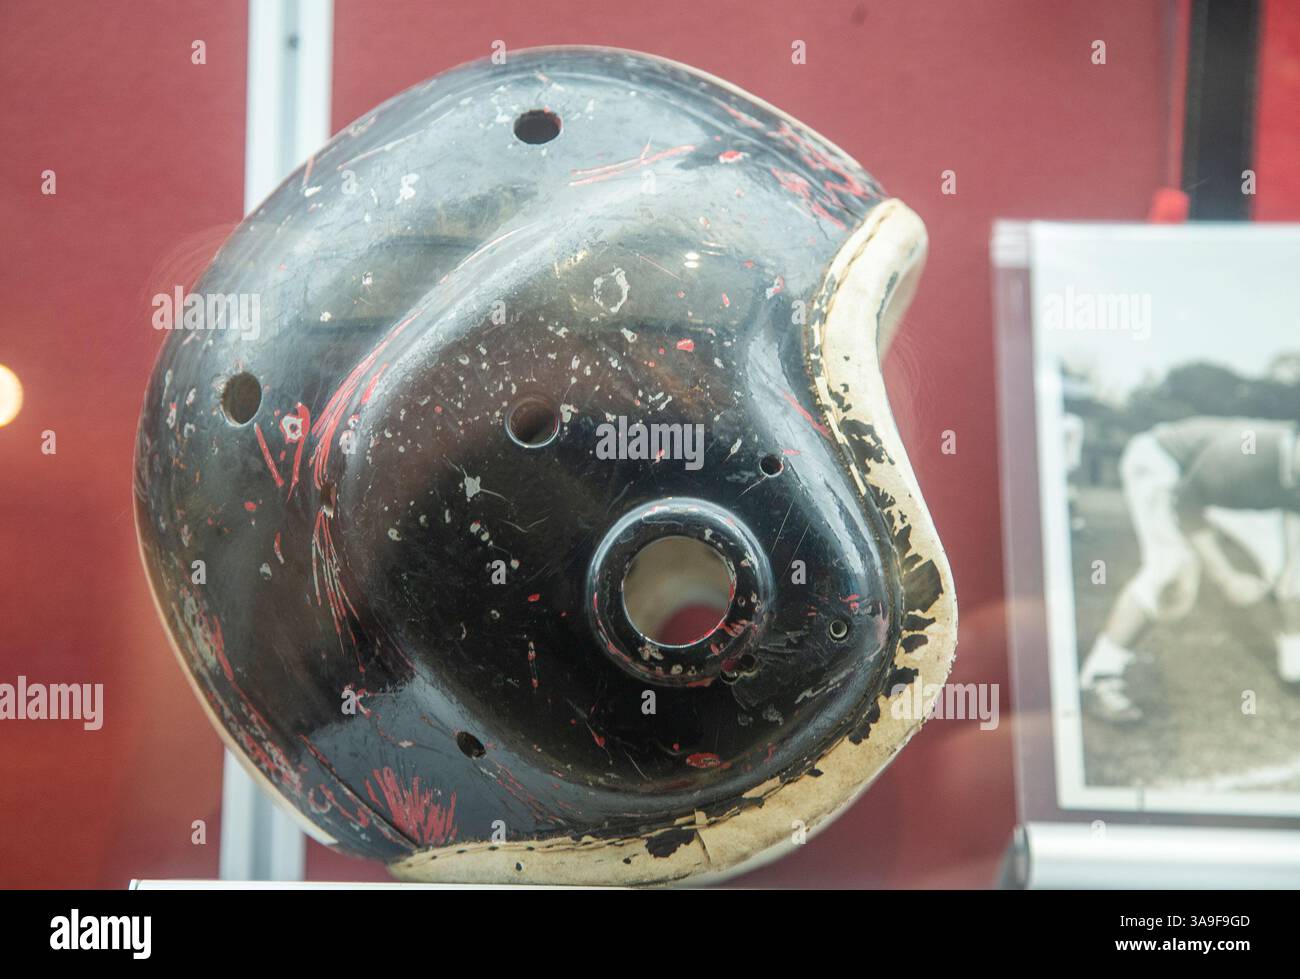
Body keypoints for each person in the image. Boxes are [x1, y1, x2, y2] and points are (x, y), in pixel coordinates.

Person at [1080, 416, 1300, 723]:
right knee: (1169, 568)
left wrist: (1290, 568)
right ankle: (1101, 675)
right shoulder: (1249, 452)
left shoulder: (1290, 464)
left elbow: (1293, 511)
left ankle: (1295, 666)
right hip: (1163, 463)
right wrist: (1226, 578)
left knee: (1295, 573)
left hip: (1219, 489)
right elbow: (1187, 506)